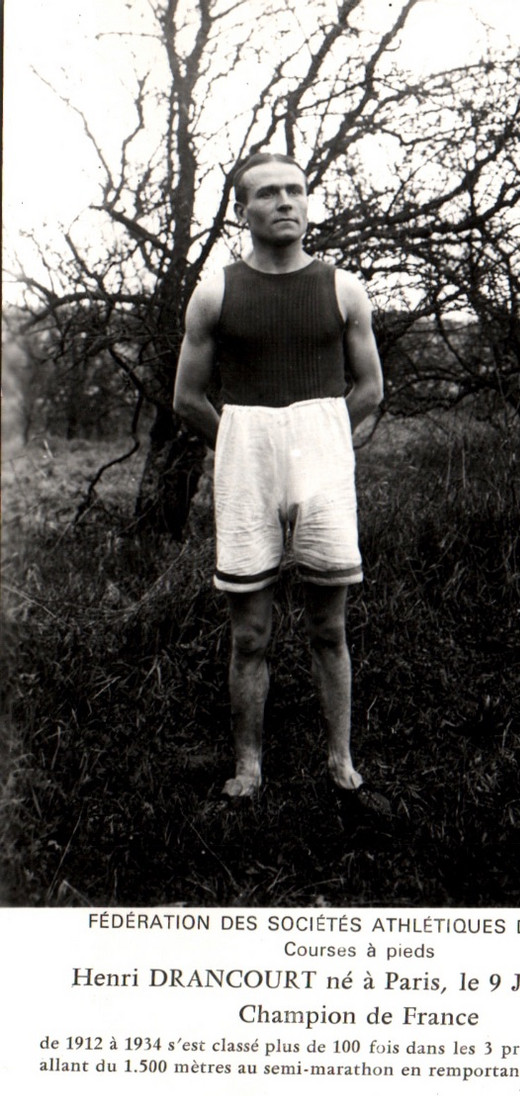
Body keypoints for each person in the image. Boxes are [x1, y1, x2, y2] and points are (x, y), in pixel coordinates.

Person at [173, 152, 385, 808]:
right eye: (267, 194)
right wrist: (243, 447)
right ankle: (248, 763)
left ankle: (340, 758)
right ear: (242, 211)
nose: (285, 202)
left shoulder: (342, 288)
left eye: (295, 190)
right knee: (251, 632)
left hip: (321, 459)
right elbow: (187, 397)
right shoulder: (216, 292)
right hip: (248, 460)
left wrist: (322, 447)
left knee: (329, 624)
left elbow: (371, 388)